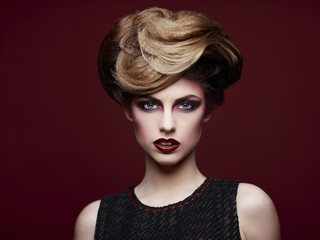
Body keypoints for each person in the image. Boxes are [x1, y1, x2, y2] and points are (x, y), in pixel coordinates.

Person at [74, 7, 281, 240]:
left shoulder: (247, 207)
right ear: (128, 108)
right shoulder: (95, 222)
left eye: (186, 105)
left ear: (208, 108)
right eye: (149, 105)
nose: (167, 124)